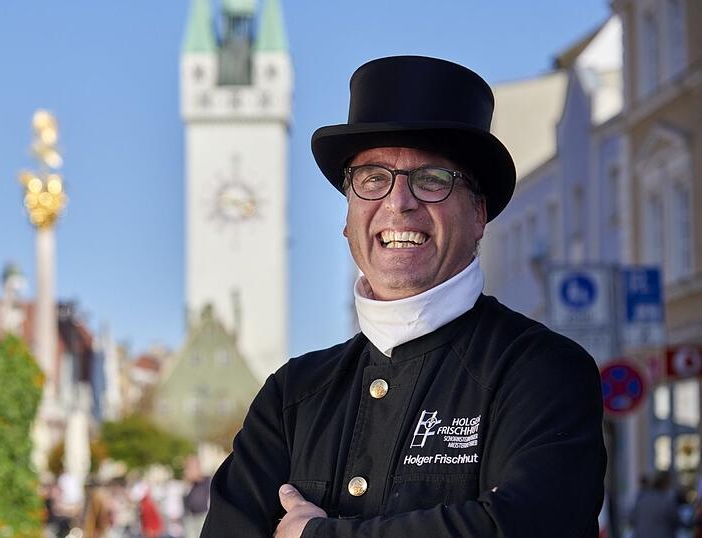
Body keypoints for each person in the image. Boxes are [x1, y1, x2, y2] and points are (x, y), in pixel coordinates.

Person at [201, 55, 606, 537]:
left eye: (432, 179)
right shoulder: (293, 395)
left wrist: (317, 535)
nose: (399, 202)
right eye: (372, 179)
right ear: (348, 218)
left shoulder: (541, 370)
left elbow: (526, 528)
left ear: (478, 215)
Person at [629, 472, 681, 538]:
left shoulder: (642, 498)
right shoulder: (667, 500)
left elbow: (631, 519)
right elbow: (676, 521)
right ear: (664, 484)